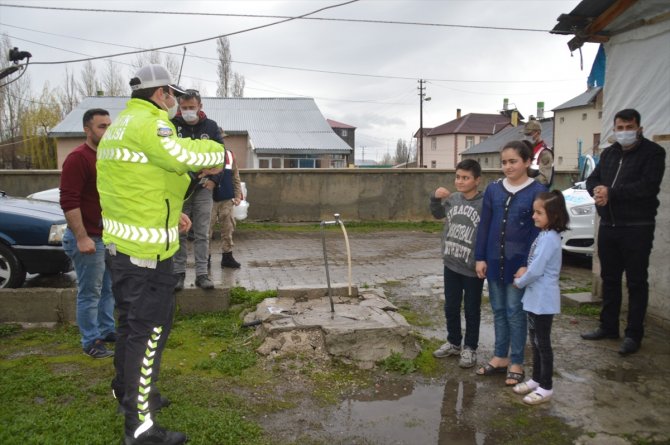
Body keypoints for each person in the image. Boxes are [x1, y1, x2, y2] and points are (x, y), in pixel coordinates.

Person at [97, 64, 225, 445]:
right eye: (172, 94)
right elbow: (177, 154)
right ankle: (140, 428)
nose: (175, 101)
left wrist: (176, 213)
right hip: (146, 255)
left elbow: (144, 181)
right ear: (161, 93)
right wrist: (217, 149)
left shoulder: (121, 126)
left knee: (129, 328)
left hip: (125, 248)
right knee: (148, 334)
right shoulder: (151, 124)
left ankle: (131, 395)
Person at [581, 108, 666, 356]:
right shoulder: (609, 154)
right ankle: (608, 326)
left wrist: (611, 193)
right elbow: (592, 179)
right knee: (609, 279)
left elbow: (647, 187)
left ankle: (633, 334)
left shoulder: (653, 153)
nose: (624, 132)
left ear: (639, 128)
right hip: (609, 226)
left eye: (629, 127)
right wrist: (596, 190)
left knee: (636, 282)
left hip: (637, 227)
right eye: (620, 128)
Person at [474, 140, 547, 386]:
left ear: (527, 162)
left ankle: (517, 361)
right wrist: (480, 257)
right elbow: (484, 225)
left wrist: (528, 264)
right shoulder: (494, 190)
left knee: (515, 312)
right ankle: (499, 357)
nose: (507, 166)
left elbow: (538, 232)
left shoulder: (537, 192)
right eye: (504, 162)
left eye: (513, 161)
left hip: (519, 265)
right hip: (494, 261)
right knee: (498, 310)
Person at [60, 108, 116, 359]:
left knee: (108, 289)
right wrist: (82, 237)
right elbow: (69, 201)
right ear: (87, 129)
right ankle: (90, 341)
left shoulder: (109, 157)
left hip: (106, 236)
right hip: (87, 237)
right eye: (102, 126)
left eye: (109, 125)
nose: (107, 130)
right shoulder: (78, 158)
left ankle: (106, 330)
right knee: (90, 292)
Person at [512, 191, 569, 405]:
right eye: (534, 212)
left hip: (544, 299)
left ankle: (546, 386)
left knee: (543, 343)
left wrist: (519, 281)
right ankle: (536, 379)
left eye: (539, 212)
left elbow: (536, 270)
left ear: (553, 215)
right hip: (535, 298)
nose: (534, 216)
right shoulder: (544, 235)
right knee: (534, 341)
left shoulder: (550, 239)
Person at [429, 159, 484, 368]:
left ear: (477, 180)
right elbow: (436, 214)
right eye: (458, 177)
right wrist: (434, 198)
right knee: (451, 305)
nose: (460, 182)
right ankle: (453, 342)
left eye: (466, 178)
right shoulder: (452, 199)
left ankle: (470, 347)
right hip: (451, 261)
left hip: (472, 267)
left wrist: (482, 258)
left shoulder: (483, 203)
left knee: (471, 308)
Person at [171, 89, 224, 290]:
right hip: (180, 190)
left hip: (203, 188)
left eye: (191, 107)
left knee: (202, 232)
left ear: (200, 106)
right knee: (179, 231)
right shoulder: (172, 126)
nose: (187, 111)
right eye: (184, 108)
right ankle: (178, 273)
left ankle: (202, 274)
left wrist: (214, 179)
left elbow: (221, 155)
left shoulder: (210, 127)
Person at [211, 144, 243, 269]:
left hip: (227, 200)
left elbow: (235, 176)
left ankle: (227, 257)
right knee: (206, 231)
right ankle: (205, 260)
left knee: (228, 229)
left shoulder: (229, 154)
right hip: (209, 199)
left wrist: (237, 195)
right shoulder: (204, 154)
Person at [524, 119, 554, 187]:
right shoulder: (528, 149)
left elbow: (545, 179)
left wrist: (525, 183)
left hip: (538, 193)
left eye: (529, 134)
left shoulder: (545, 152)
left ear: (538, 132)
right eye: (525, 134)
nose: (526, 137)